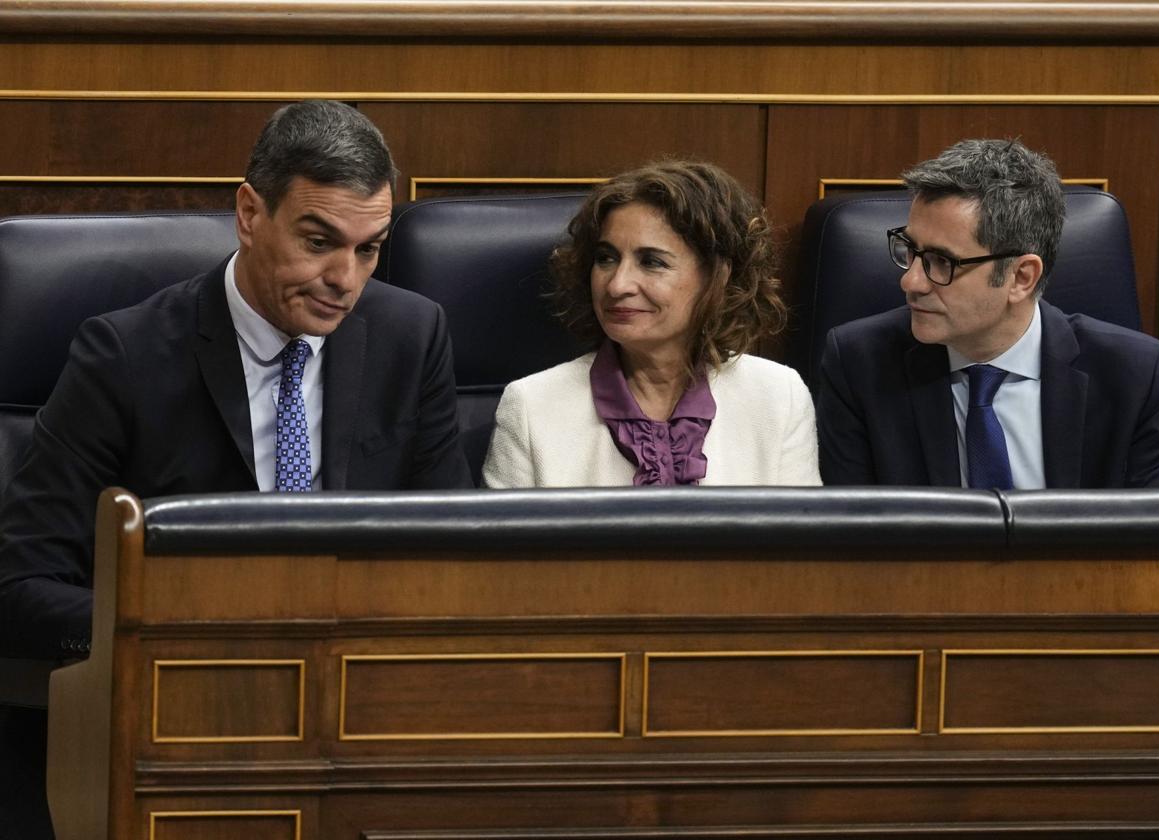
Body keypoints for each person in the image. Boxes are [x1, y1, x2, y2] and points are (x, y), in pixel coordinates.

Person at [0, 99, 472, 662]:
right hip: (183, 679)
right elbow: (22, 587)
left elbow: (452, 553)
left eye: (368, 249)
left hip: (360, 674)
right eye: (318, 243)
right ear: (249, 214)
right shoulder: (125, 356)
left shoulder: (412, 337)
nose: (345, 280)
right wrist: (181, 634)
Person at [817, 138, 1159, 488]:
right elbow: (856, 540)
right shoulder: (860, 365)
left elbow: (1150, 541)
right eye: (909, 249)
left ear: (1021, 277)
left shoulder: (1134, 377)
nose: (911, 281)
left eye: (942, 262)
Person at [482, 160, 821, 488]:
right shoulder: (531, 407)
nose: (617, 285)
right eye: (606, 258)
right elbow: (502, 547)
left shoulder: (779, 398)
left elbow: (801, 546)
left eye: (652, 262)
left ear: (717, 278)